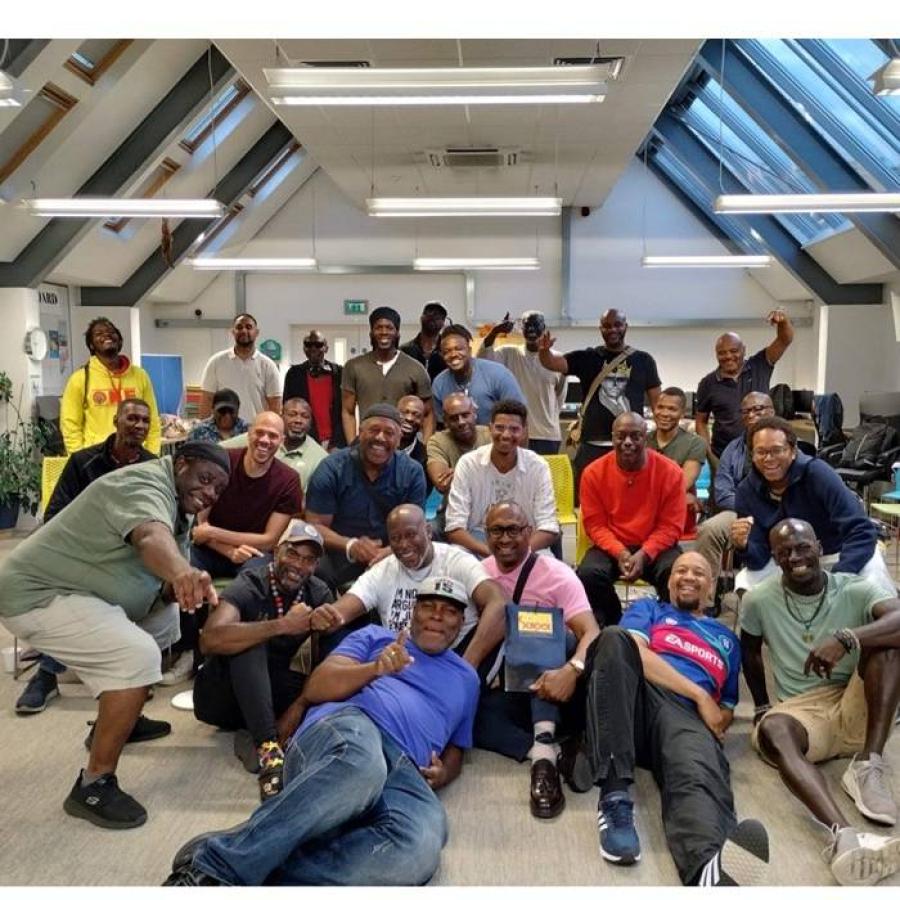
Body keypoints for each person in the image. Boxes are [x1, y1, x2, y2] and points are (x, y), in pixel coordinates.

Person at [163, 578, 480, 887]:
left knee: (420, 848)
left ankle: (248, 855)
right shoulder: (375, 637)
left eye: (449, 610)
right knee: (361, 766)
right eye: (429, 606)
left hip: (406, 766)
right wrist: (375, 669)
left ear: (461, 622)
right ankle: (214, 869)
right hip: (348, 728)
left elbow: (457, 747)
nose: (438, 615)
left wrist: (445, 773)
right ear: (413, 612)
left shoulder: (468, 678)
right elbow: (316, 687)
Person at [0, 442, 231, 829]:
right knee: (136, 656)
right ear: (182, 463)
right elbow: (149, 537)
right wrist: (180, 573)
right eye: (205, 480)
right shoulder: (144, 485)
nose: (209, 493)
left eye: (218, 489)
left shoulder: (180, 503)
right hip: (38, 594)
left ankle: (123, 717)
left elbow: (167, 573)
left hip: (84, 588)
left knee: (165, 622)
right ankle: (93, 785)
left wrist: (190, 585)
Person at [583, 551, 770, 886]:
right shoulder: (649, 610)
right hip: (636, 701)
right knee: (613, 638)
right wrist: (699, 695)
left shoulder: (727, 639)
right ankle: (615, 801)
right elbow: (635, 652)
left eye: (699, 573)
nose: (688, 576)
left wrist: (719, 721)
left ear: (711, 587)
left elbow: (725, 705)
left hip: (683, 718)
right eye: (681, 571)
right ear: (668, 583)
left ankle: (708, 871)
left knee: (696, 773)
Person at [740, 518, 900, 886]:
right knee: (774, 730)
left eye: (802, 547)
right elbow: (750, 652)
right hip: (804, 711)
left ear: (819, 545)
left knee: (887, 647)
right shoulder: (760, 599)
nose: (795, 557)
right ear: (775, 558)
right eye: (784, 552)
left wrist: (847, 638)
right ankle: (844, 837)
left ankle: (867, 765)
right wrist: (762, 705)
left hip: (857, 698)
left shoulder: (857, 587)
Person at [15, 399, 157, 716]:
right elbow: (54, 516)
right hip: (79, 553)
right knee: (71, 593)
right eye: (132, 418)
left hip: (128, 557)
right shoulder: (83, 462)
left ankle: (117, 676)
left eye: (145, 421)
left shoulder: (151, 466)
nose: (139, 425)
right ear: (116, 421)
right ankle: (47, 676)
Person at [193, 520, 333, 802]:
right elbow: (209, 640)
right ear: (277, 551)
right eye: (292, 554)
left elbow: (324, 663)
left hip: (267, 691)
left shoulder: (318, 593)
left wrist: (299, 708)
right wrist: (282, 625)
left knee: (317, 679)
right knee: (248, 643)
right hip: (220, 694)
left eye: (308, 560)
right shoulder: (250, 583)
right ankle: (269, 751)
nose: (298, 565)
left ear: (316, 566)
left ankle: (256, 732)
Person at [475, 502, 599, 819]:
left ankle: (543, 757)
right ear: (485, 534)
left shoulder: (557, 575)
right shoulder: (477, 575)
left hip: (557, 684)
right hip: (508, 687)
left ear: (529, 533)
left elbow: (592, 633)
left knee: (537, 627)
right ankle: (548, 751)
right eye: (496, 530)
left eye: (513, 529)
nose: (505, 538)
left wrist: (573, 670)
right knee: (466, 719)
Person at [165, 413, 303, 685]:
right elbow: (199, 523)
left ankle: (232, 650)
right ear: (249, 432)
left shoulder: (288, 480)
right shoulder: (224, 462)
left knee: (255, 579)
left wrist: (215, 534)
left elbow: (269, 539)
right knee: (185, 569)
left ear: (282, 442)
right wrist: (227, 549)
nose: (265, 440)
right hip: (214, 550)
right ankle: (188, 651)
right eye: (260, 432)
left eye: (273, 436)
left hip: (254, 553)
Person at [309, 503, 506, 671]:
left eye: (411, 535)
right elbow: (340, 612)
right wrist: (325, 618)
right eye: (395, 538)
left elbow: (500, 603)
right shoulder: (383, 571)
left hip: (452, 661)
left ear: (428, 532)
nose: (403, 545)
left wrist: (467, 665)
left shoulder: (457, 561)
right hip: (400, 665)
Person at [732, 416, 894, 596]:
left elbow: (861, 530)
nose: (769, 458)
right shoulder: (747, 491)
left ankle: (883, 622)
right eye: (761, 452)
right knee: (745, 583)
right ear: (752, 455)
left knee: (873, 578)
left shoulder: (818, 474)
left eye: (777, 450)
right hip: (787, 562)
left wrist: (839, 577)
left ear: (793, 451)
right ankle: (770, 624)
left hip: (836, 553)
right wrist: (744, 545)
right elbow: (759, 560)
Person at [576, 411, 685, 626]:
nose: (627, 442)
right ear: (613, 437)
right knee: (588, 574)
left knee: (676, 572)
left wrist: (645, 554)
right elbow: (595, 525)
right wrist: (621, 552)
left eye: (635, 436)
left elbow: (671, 527)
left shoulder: (671, 472)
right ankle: (616, 622)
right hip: (612, 547)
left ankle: (666, 626)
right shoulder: (592, 472)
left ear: (646, 438)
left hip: (656, 547)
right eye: (621, 436)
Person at [537, 308, 661, 495]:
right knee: (588, 495)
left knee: (631, 496)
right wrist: (544, 351)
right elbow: (553, 363)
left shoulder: (644, 360)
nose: (612, 330)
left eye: (617, 325)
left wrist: (659, 440)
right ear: (600, 329)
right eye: (607, 326)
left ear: (626, 327)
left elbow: (657, 403)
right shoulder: (588, 357)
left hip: (631, 447)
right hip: (591, 446)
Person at [305, 404, 427, 591]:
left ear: (398, 439)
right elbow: (315, 525)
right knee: (314, 567)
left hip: (392, 552)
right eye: (374, 430)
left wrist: (387, 553)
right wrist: (351, 545)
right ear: (360, 432)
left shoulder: (412, 472)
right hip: (339, 550)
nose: (380, 438)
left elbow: (416, 528)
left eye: (389, 433)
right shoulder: (332, 468)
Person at [444, 399, 559, 559]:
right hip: (479, 543)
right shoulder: (468, 463)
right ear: (490, 428)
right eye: (499, 427)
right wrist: (493, 555)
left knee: (549, 567)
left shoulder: (538, 466)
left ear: (524, 431)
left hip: (525, 543)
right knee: (455, 558)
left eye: (514, 429)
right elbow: (454, 527)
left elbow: (548, 526)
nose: (506, 435)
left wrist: (519, 554)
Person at [695, 392, 774, 585]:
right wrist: (750, 509)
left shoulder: (787, 444)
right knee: (709, 529)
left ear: (772, 411)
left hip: (780, 512)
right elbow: (722, 494)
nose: (751, 415)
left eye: (758, 409)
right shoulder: (733, 449)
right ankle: (704, 604)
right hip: (740, 513)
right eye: (746, 411)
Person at [695, 311, 794, 461]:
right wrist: (708, 453)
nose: (728, 356)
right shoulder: (708, 383)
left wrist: (783, 322)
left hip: (762, 452)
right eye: (722, 353)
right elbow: (701, 421)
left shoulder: (760, 364)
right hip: (723, 455)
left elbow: (784, 339)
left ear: (743, 350)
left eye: (734, 351)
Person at [60, 316, 161, 455]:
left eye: (111, 332)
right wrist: (81, 461)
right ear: (91, 345)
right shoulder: (80, 379)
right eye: (99, 334)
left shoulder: (140, 376)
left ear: (119, 341)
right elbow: (70, 425)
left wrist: (151, 456)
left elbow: (153, 420)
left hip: (135, 457)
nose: (107, 335)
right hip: (98, 458)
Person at [341, 306, 434, 444]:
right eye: (378, 328)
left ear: (397, 333)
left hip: (402, 445)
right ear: (371, 333)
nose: (384, 332)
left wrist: (426, 448)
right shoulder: (354, 366)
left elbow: (427, 414)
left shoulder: (416, 368)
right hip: (367, 442)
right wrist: (352, 445)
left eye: (389, 328)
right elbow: (348, 411)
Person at [478, 311, 566, 454]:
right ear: (521, 329)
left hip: (547, 435)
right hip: (514, 433)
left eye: (536, 325)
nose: (531, 329)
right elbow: (483, 359)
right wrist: (495, 331)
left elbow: (560, 396)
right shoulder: (509, 353)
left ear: (544, 328)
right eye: (527, 325)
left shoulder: (556, 359)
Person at [221, 397, 328, 493]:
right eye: (292, 414)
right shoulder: (258, 438)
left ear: (311, 422)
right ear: (281, 417)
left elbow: (310, 502)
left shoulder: (320, 458)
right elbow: (217, 450)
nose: (298, 420)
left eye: (305, 416)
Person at [431, 324, 526, 426]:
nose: (453, 354)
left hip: (496, 439)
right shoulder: (439, 385)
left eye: (459, 349)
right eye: (447, 352)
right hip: (458, 440)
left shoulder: (498, 374)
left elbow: (519, 416)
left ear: (469, 350)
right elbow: (441, 425)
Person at [425, 393, 492, 537]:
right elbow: (442, 483)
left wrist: (458, 473)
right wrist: (485, 470)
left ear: (474, 414)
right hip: (453, 512)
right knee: (429, 531)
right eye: (454, 418)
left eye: (465, 415)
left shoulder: (490, 435)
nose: (461, 422)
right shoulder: (437, 441)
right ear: (446, 422)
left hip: (491, 513)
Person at [199, 314, 282, 420]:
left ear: (256, 332)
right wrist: (203, 429)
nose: (243, 330)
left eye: (248, 327)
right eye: (239, 327)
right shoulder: (216, 362)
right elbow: (207, 399)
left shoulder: (268, 366)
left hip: (256, 431)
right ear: (233, 332)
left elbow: (275, 405)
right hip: (224, 431)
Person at [648, 386, 707, 532]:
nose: (664, 413)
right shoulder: (641, 441)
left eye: (672, 409)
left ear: (682, 413)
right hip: (643, 517)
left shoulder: (695, 443)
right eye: (660, 407)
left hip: (677, 520)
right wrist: (681, 496)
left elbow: (683, 484)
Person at [282, 330, 346, 450]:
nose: (313, 348)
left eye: (318, 345)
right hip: (304, 440)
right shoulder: (294, 374)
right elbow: (287, 409)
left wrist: (338, 442)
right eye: (308, 345)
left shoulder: (340, 373)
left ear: (326, 348)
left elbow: (346, 410)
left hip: (336, 442)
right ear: (304, 348)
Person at [399, 301, 449, 380]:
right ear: (421, 318)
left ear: (443, 323)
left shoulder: (448, 351)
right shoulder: (404, 351)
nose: (433, 316)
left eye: (438, 315)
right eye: (429, 312)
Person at [396, 394, 427, 472]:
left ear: (423, 421)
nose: (409, 418)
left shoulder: (425, 456)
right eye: (404, 413)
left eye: (416, 415)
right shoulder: (380, 445)